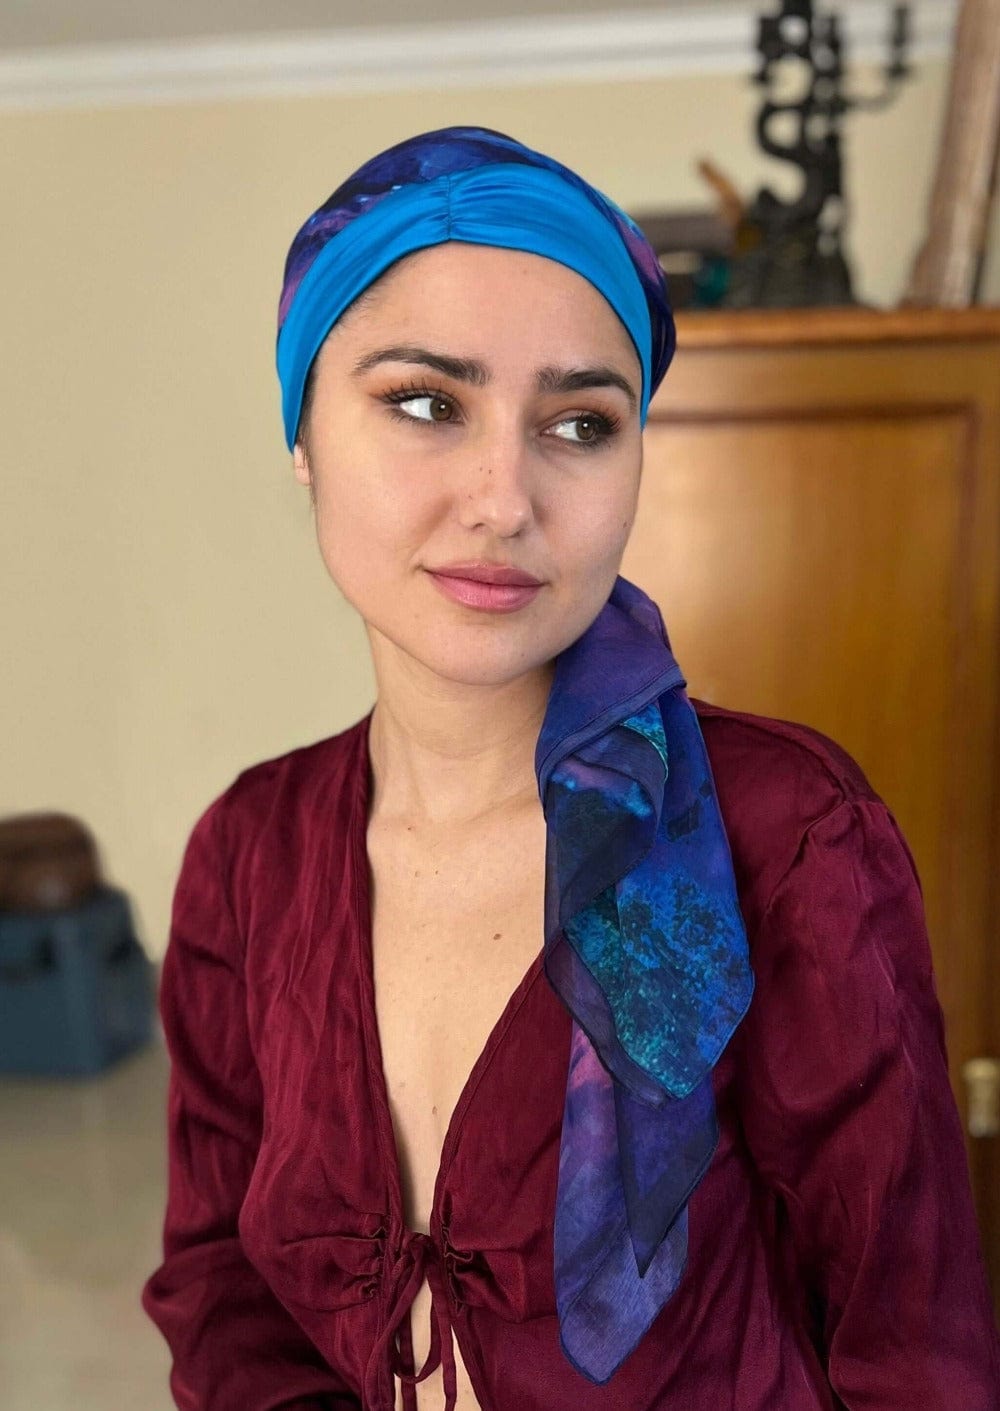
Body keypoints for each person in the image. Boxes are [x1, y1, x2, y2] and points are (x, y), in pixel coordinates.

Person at [141, 127, 1000, 1411]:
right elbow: (223, 1295)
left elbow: (913, 1351)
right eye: (425, 403)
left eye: (581, 423)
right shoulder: (246, 853)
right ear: (302, 434)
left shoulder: (785, 835)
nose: (504, 499)